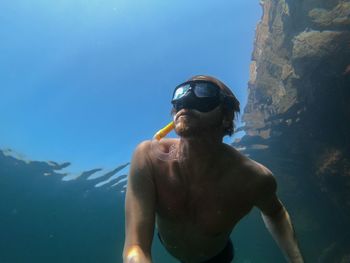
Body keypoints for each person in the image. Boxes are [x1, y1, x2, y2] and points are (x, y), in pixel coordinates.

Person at [123, 75, 304, 263]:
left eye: (204, 91)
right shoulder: (148, 158)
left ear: (227, 117)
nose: (187, 100)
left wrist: (296, 260)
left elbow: (276, 212)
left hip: (217, 258)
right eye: (181, 93)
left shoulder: (254, 178)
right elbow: (135, 248)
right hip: (170, 246)